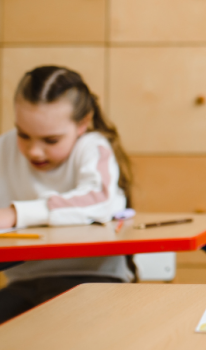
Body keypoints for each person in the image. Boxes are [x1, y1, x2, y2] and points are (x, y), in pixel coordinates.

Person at [0, 66, 133, 323]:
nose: (34, 152)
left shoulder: (93, 148)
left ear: (82, 124)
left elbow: (99, 199)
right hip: (25, 282)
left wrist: (16, 214)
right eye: (24, 135)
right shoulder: (5, 147)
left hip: (94, 281)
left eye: (51, 140)